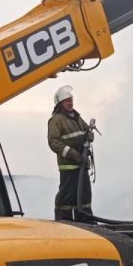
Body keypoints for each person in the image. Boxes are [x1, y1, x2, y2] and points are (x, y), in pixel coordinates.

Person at [48, 84, 93, 221]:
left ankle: (86, 222)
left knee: (84, 196)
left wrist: (89, 135)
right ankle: (64, 222)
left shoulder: (76, 117)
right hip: (69, 166)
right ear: (60, 104)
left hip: (81, 164)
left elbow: (85, 130)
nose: (70, 103)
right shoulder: (56, 120)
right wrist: (73, 154)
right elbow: (54, 142)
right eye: (67, 101)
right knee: (67, 197)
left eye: (71, 100)